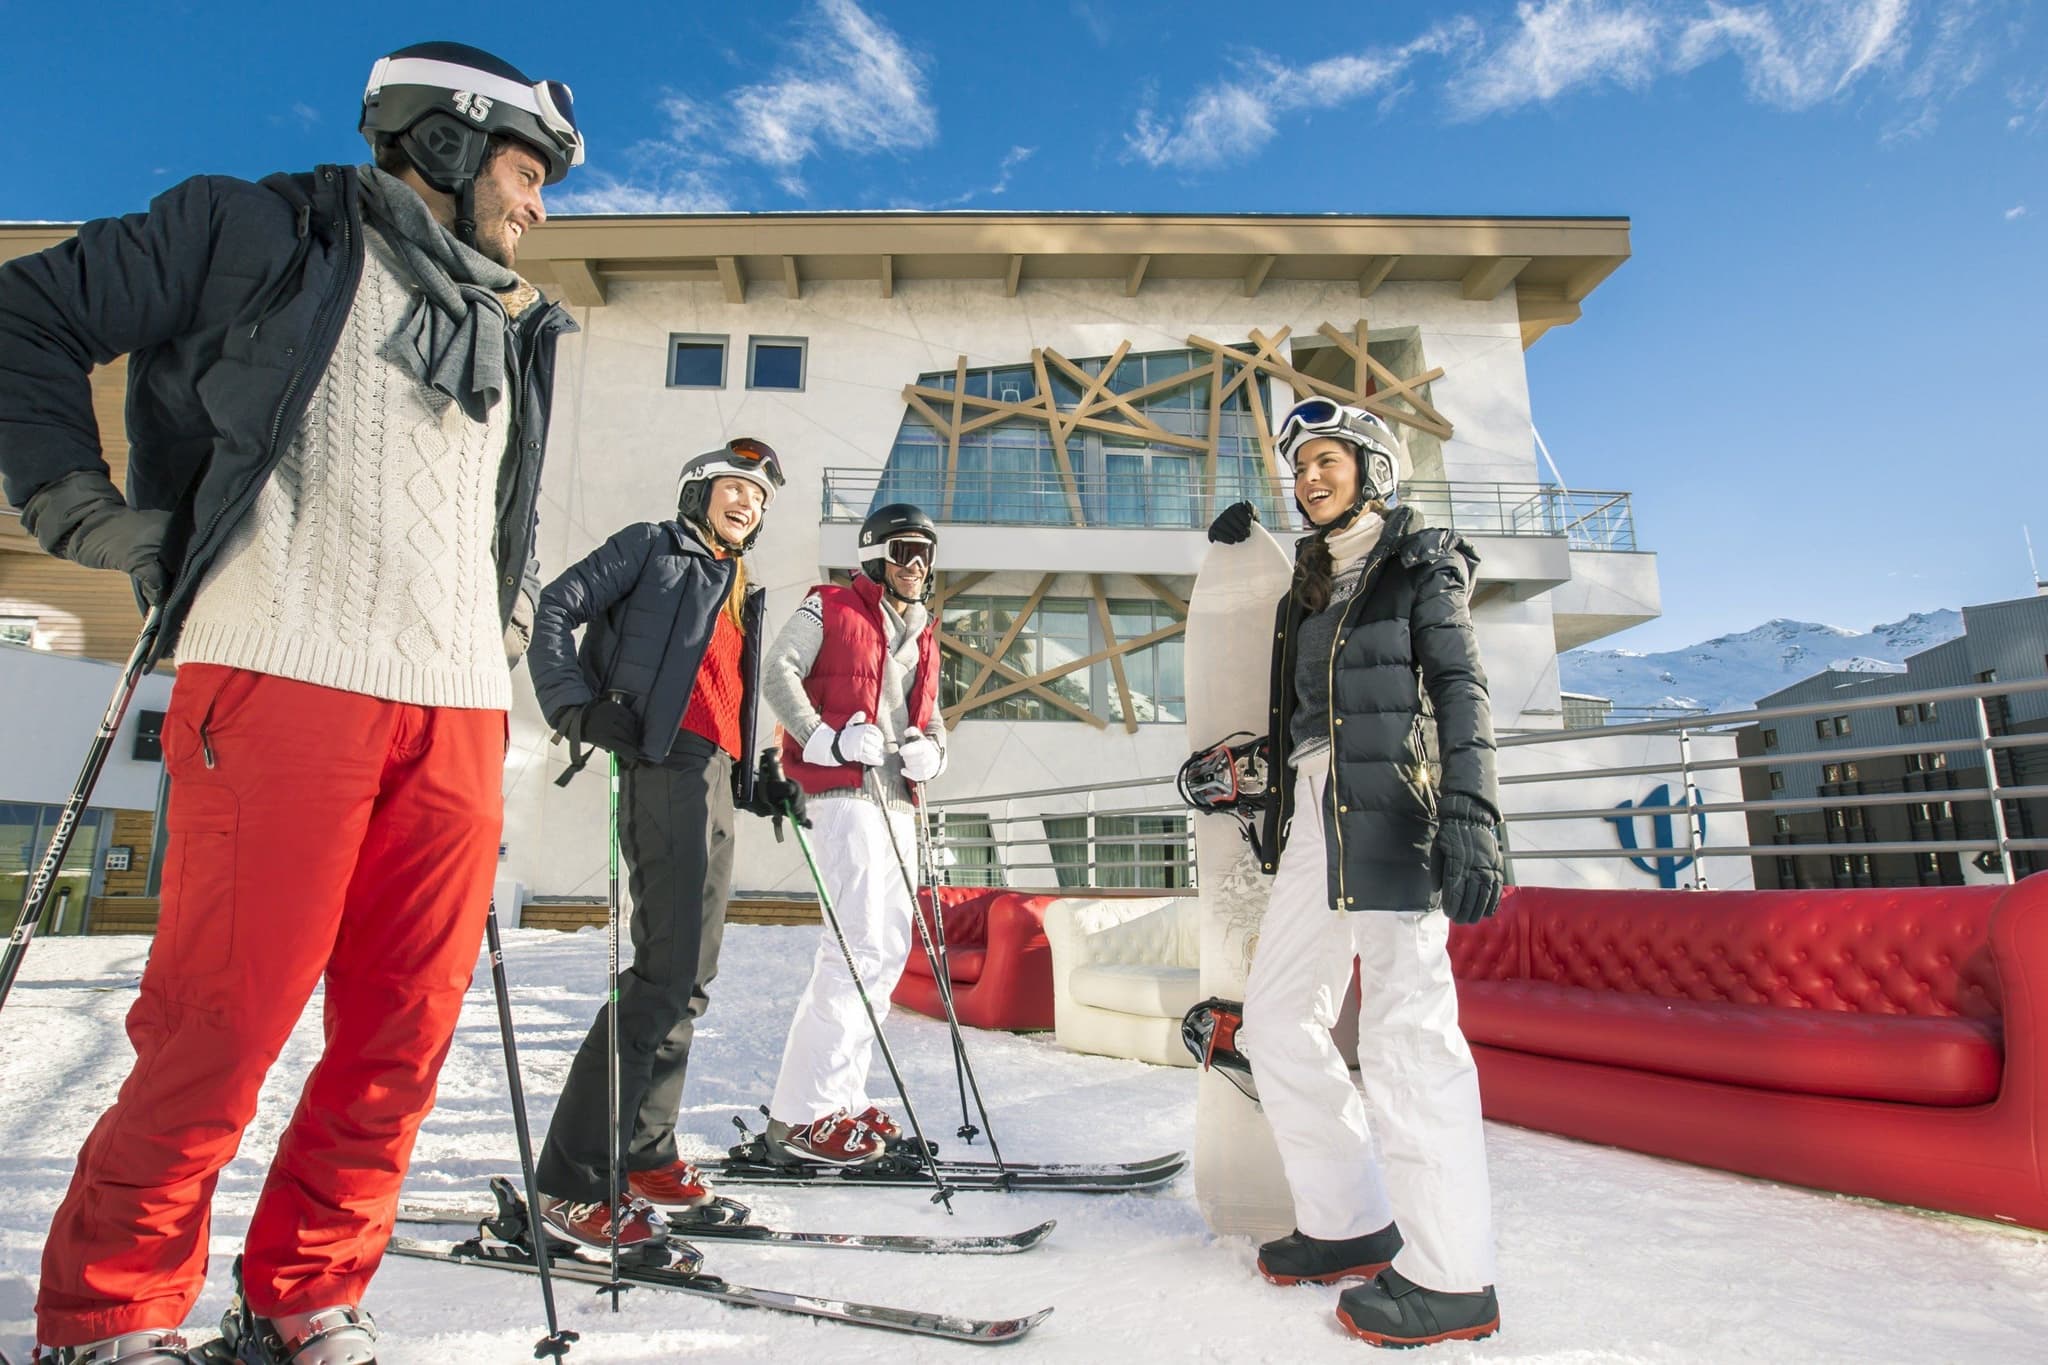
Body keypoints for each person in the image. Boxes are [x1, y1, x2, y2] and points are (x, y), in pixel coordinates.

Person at [0, 41, 585, 1365]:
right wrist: (87, 516)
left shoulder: (516, 326)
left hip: (455, 710)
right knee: (226, 1021)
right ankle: (112, 1313)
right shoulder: (254, 229)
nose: (540, 203)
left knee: (402, 1036)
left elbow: (499, 521)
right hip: (283, 666)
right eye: (525, 166)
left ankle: (305, 1295)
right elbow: (24, 318)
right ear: (439, 137)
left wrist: (500, 634)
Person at [1207, 398, 1507, 1349]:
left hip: (1397, 808)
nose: (1310, 479)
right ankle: (1349, 1220)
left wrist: (1473, 810)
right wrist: (1260, 782)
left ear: (1374, 469)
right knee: (1279, 1013)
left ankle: (1454, 1276)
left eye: (1329, 459)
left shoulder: (1421, 562)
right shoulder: (1312, 583)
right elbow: (1308, 720)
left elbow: (1459, 688)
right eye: (1300, 468)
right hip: (1312, 810)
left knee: (1407, 1027)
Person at [526, 437, 805, 1247]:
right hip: (661, 761)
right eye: (733, 487)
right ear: (698, 493)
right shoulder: (653, 546)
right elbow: (556, 604)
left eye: (758, 497)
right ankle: (571, 1179)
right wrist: (574, 706)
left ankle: (646, 1151)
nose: (746, 502)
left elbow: (724, 691)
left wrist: (756, 774)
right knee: (661, 973)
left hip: (709, 771)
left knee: (691, 975)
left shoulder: (740, 587)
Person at [759, 503, 947, 1163]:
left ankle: (833, 1099)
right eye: (903, 551)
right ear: (873, 555)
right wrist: (825, 737)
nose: (916, 565)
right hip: (841, 792)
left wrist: (934, 753)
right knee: (856, 943)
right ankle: (807, 1118)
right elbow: (776, 670)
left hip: (897, 799)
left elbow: (934, 719)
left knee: (887, 950)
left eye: (925, 552)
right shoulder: (828, 604)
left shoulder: (924, 634)